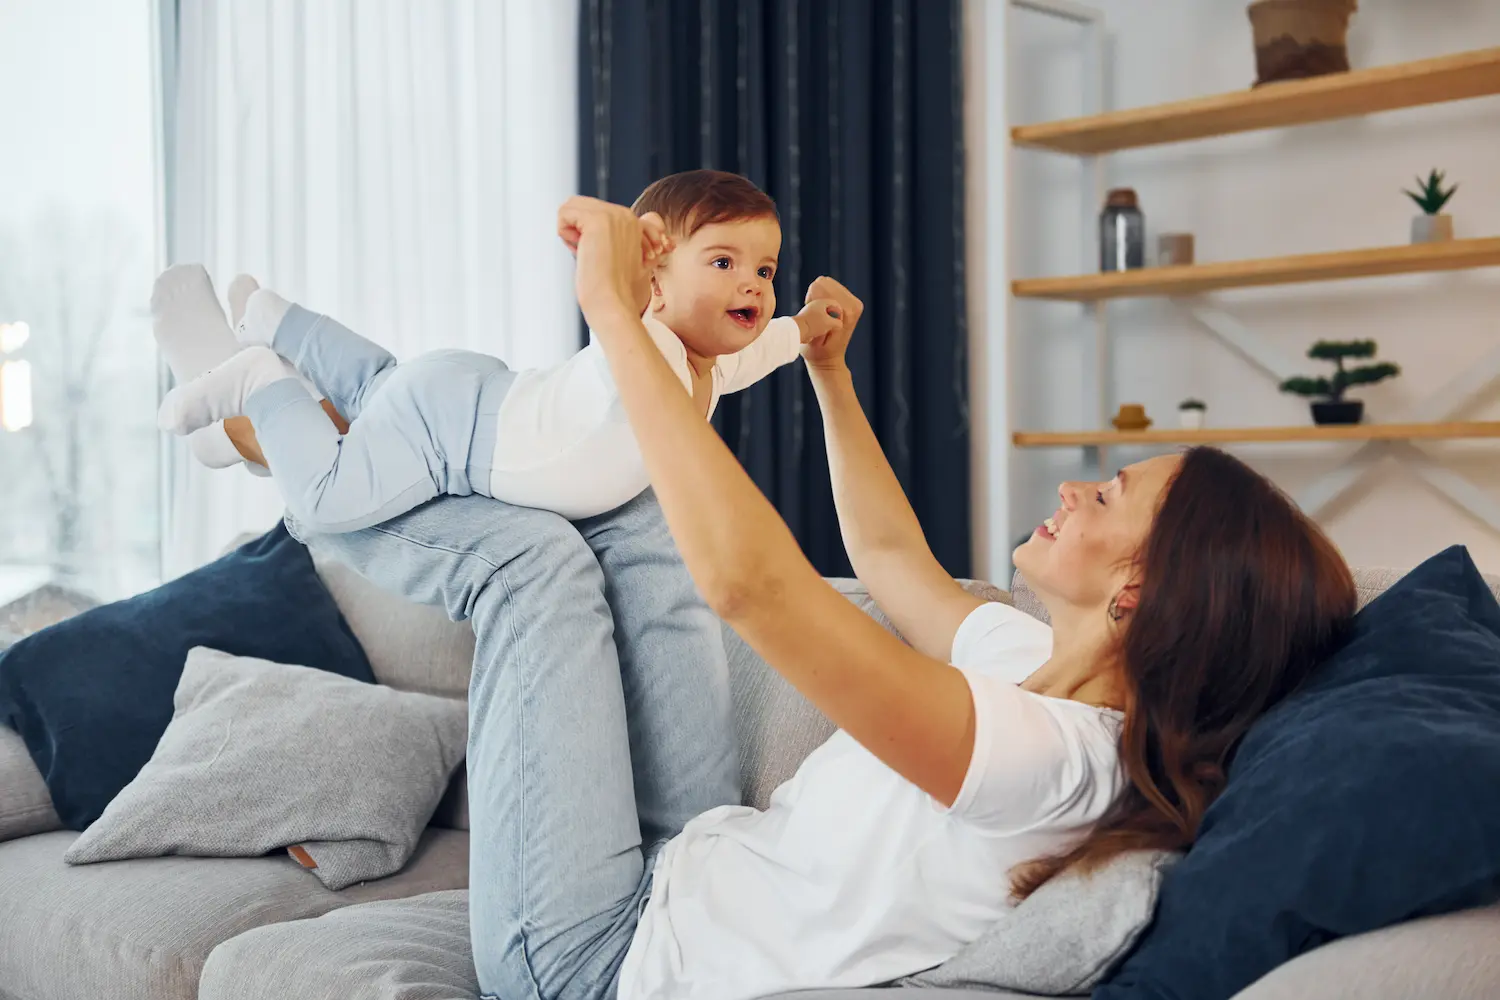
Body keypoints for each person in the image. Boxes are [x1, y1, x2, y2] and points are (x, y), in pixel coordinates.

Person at [177, 199, 1355, 1000]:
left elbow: (750, 584)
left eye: (1109, 492)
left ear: (1143, 587)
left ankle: (300, 458)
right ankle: (310, 419)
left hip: (602, 960)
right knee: (624, 504)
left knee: (531, 566)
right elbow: (893, 562)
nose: (1072, 485)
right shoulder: (1021, 658)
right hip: (681, 856)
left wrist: (613, 318)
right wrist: (833, 379)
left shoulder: (1049, 759)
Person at [152, 170, 846, 529]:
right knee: (329, 497)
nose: (752, 284)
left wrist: (810, 325)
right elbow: (620, 326)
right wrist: (622, 275)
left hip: (470, 391)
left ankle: (277, 319)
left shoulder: (710, 366)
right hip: (459, 438)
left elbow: (767, 347)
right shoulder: (647, 346)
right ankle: (259, 380)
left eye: (764, 270)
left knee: (377, 387)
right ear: (654, 277)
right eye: (723, 262)